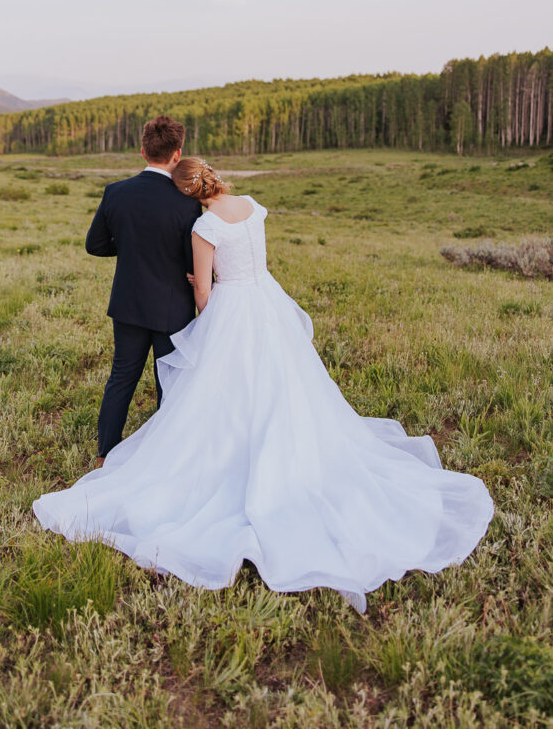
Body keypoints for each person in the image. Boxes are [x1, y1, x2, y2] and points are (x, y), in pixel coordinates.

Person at [34, 157, 494, 613]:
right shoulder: (253, 205)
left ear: (188, 192)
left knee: (224, 394)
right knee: (285, 387)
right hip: (267, 305)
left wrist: (202, 295)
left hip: (233, 310)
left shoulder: (205, 228)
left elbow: (203, 293)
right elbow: (252, 261)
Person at [84, 115, 201, 460]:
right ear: (177, 154)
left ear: (142, 151)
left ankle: (105, 452)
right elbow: (192, 261)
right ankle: (163, 457)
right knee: (170, 383)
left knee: (121, 377)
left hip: (129, 304)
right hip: (172, 308)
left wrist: (131, 245)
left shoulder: (116, 192)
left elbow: (95, 244)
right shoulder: (186, 202)